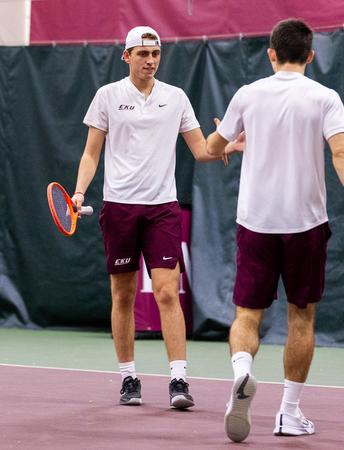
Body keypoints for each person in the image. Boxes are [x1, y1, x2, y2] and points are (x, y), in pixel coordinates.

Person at [205, 18, 344, 442]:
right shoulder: (325, 97)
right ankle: (288, 413)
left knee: (247, 314)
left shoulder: (248, 95)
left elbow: (211, 147)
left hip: (256, 224)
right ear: (310, 56)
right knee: (301, 318)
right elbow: (342, 153)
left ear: (271, 53)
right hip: (305, 227)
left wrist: (229, 142)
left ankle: (241, 378)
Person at [71, 26, 241, 409]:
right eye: (142, 54)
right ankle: (128, 378)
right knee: (123, 295)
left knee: (167, 292)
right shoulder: (108, 96)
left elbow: (200, 150)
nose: (150, 60)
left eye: (156, 54)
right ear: (126, 56)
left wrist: (230, 146)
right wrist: (80, 190)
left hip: (163, 208)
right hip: (119, 207)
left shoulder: (176, 98)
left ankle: (178, 380)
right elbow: (91, 153)